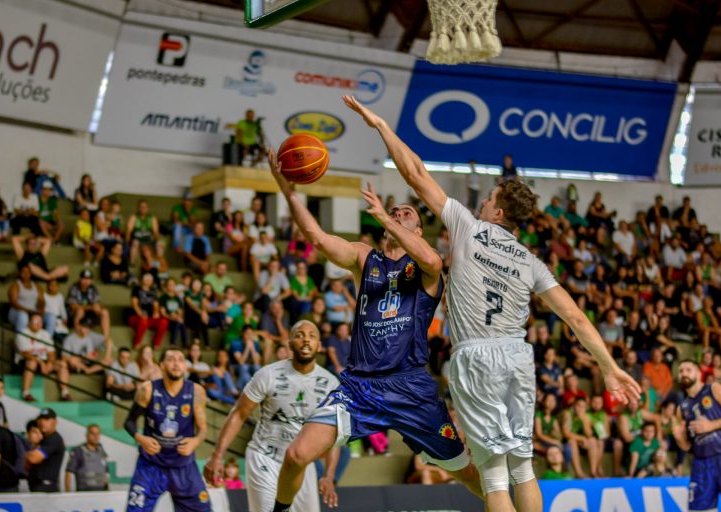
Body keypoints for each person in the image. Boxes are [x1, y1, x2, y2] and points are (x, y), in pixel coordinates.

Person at [343, 95, 640, 512]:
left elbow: (414, 172)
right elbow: (574, 316)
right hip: (517, 355)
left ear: (498, 213)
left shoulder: (467, 227)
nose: (481, 202)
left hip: (477, 357)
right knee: (524, 469)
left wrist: (381, 126)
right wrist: (608, 367)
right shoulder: (531, 262)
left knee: (494, 478)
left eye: (488, 199)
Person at [267, 148, 484, 512]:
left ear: (418, 231)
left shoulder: (426, 266)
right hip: (361, 386)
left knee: (464, 472)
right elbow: (317, 238)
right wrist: (287, 189)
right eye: (394, 212)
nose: (398, 214)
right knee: (296, 455)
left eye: (407, 214)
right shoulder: (364, 257)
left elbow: (432, 260)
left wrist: (384, 216)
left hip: (411, 387)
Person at [204, 321, 340, 512]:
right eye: (299, 335)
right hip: (265, 458)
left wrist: (328, 475)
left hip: (301, 464)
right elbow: (239, 414)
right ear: (290, 344)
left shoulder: (331, 384)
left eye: (312, 336)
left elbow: (334, 435)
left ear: (319, 345)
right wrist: (216, 456)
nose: (306, 340)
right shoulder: (268, 375)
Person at [123, 348, 210, 512]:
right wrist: (140, 438)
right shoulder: (148, 389)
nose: (176, 363)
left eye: (180, 359)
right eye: (170, 359)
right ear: (161, 365)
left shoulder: (196, 391)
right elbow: (129, 422)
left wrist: (195, 441)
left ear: (185, 366)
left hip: (183, 466)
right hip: (151, 465)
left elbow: (203, 429)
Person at [673, 359, 721, 512]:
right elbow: (688, 447)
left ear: (698, 373)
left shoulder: (714, 389)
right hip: (701, 464)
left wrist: (712, 425)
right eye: (681, 371)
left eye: (688, 370)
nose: (684, 373)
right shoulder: (681, 408)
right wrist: (679, 439)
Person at [15, 313, 70, 402]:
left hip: (44, 362)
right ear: (29, 323)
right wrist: (41, 363)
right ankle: (26, 393)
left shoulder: (45, 334)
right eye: (35, 321)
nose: (38, 324)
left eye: (40, 322)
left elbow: (51, 352)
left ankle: (65, 393)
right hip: (25, 362)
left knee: (62, 364)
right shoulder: (22, 334)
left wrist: (50, 363)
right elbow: (26, 354)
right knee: (32, 363)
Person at [26, 407, 66, 492]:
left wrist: (27, 454)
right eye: (41, 419)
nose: (42, 422)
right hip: (36, 486)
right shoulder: (43, 440)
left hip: (47, 488)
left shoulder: (54, 439)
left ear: (55, 422)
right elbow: (26, 466)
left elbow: (33, 458)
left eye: (46, 419)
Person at [66, 269, 110, 339]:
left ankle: (105, 339)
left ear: (91, 280)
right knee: (80, 311)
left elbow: (97, 303)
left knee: (105, 312)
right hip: (74, 315)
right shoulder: (74, 288)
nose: (86, 281)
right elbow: (73, 306)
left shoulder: (93, 288)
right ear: (80, 279)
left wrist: (97, 307)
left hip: (89, 314)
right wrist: (90, 307)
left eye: (89, 279)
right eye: (84, 278)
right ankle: (79, 337)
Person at [65, 424, 109, 492]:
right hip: (84, 493)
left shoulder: (101, 451)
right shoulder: (78, 451)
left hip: (101, 493)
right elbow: (69, 473)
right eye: (93, 434)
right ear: (87, 435)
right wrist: (68, 494)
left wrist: (107, 491)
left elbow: (106, 474)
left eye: (98, 434)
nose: (96, 436)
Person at [125, 200, 160, 266]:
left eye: (145, 207)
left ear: (148, 208)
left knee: (159, 245)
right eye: (141, 207)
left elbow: (156, 231)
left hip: (148, 239)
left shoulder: (152, 218)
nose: (143, 209)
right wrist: (127, 242)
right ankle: (132, 264)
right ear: (138, 208)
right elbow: (129, 230)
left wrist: (157, 241)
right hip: (137, 238)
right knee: (135, 243)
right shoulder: (134, 217)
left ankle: (158, 264)